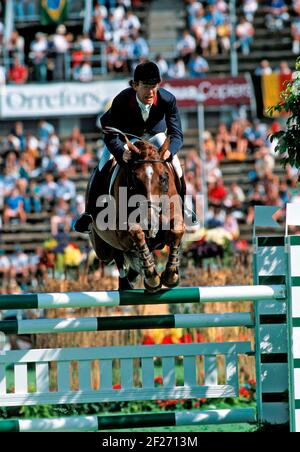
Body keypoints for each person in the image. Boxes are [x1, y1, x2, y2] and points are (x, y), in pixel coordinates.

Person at [74, 61, 197, 233]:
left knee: (176, 164)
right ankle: (90, 213)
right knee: (103, 164)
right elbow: (109, 133)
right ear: (135, 85)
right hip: (128, 137)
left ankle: (183, 207)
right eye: (146, 86)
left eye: (154, 86)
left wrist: (170, 150)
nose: (151, 92)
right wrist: (120, 152)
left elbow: (177, 134)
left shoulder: (168, 100)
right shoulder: (121, 100)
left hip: (156, 136)